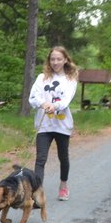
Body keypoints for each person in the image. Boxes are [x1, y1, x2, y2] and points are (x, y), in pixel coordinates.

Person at [28, 45, 79, 201]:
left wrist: (54, 105)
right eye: (52, 59)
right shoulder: (41, 78)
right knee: (40, 158)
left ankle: (63, 186)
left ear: (65, 60)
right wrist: (43, 104)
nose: (55, 62)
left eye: (58, 59)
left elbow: (66, 100)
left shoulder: (70, 80)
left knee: (63, 157)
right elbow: (33, 98)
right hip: (44, 124)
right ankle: (37, 191)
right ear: (49, 61)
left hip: (62, 125)